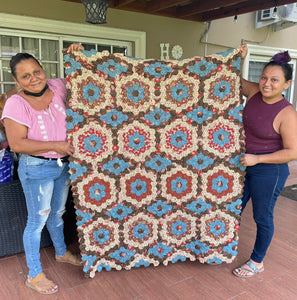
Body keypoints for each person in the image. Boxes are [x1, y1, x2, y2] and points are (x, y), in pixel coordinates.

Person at [1, 43, 84, 294]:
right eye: (26, 75)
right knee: (36, 221)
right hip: (36, 168)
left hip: (62, 166)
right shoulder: (16, 104)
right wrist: (57, 145)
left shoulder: (58, 86)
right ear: (17, 81)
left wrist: (78, 56)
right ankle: (34, 274)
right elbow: (17, 144)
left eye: (36, 71)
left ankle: (60, 253)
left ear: (42, 69)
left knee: (57, 213)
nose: (34, 78)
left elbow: (87, 78)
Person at [232, 44, 297, 278]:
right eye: (264, 78)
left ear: (287, 85)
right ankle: (219, 247)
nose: (267, 84)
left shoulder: (287, 114)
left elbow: (292, 152)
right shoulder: (254, 93)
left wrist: (257, 159)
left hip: (269, 171)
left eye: (275, 80)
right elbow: (232, 81)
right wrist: (240, 58)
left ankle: (257, 261)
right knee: (230, 209)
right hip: (244, 165)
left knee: (262, 215)